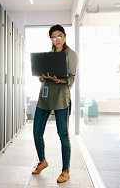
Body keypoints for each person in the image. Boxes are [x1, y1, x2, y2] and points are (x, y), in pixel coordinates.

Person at [31, 24, 78, 183]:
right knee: (37, 132)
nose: (57, 39)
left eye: (59, 36)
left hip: (61, 97)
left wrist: (57, 79)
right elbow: (42, 75)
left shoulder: (70, 55)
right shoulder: (49, 55)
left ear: (64, 36)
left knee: (63, 135)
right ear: (50, 39)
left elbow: (71, 79)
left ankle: (65, 171)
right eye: (53, 37)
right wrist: (42, 75)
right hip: (45, 96)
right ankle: (42, 161)